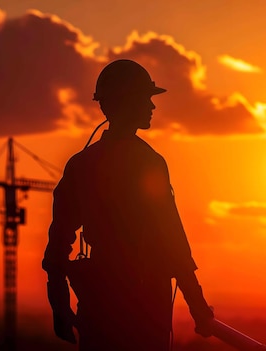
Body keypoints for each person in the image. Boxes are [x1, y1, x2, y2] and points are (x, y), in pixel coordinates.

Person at [42, 59, 214, 351]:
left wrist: (60, 309)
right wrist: (198, 307)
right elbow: (173, 241)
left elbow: (57, 247)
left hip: (99, 311)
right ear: (126, 102)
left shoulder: (82, 165)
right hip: (144, 313)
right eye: (145, 98)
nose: (152, 106)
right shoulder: (148, 163)